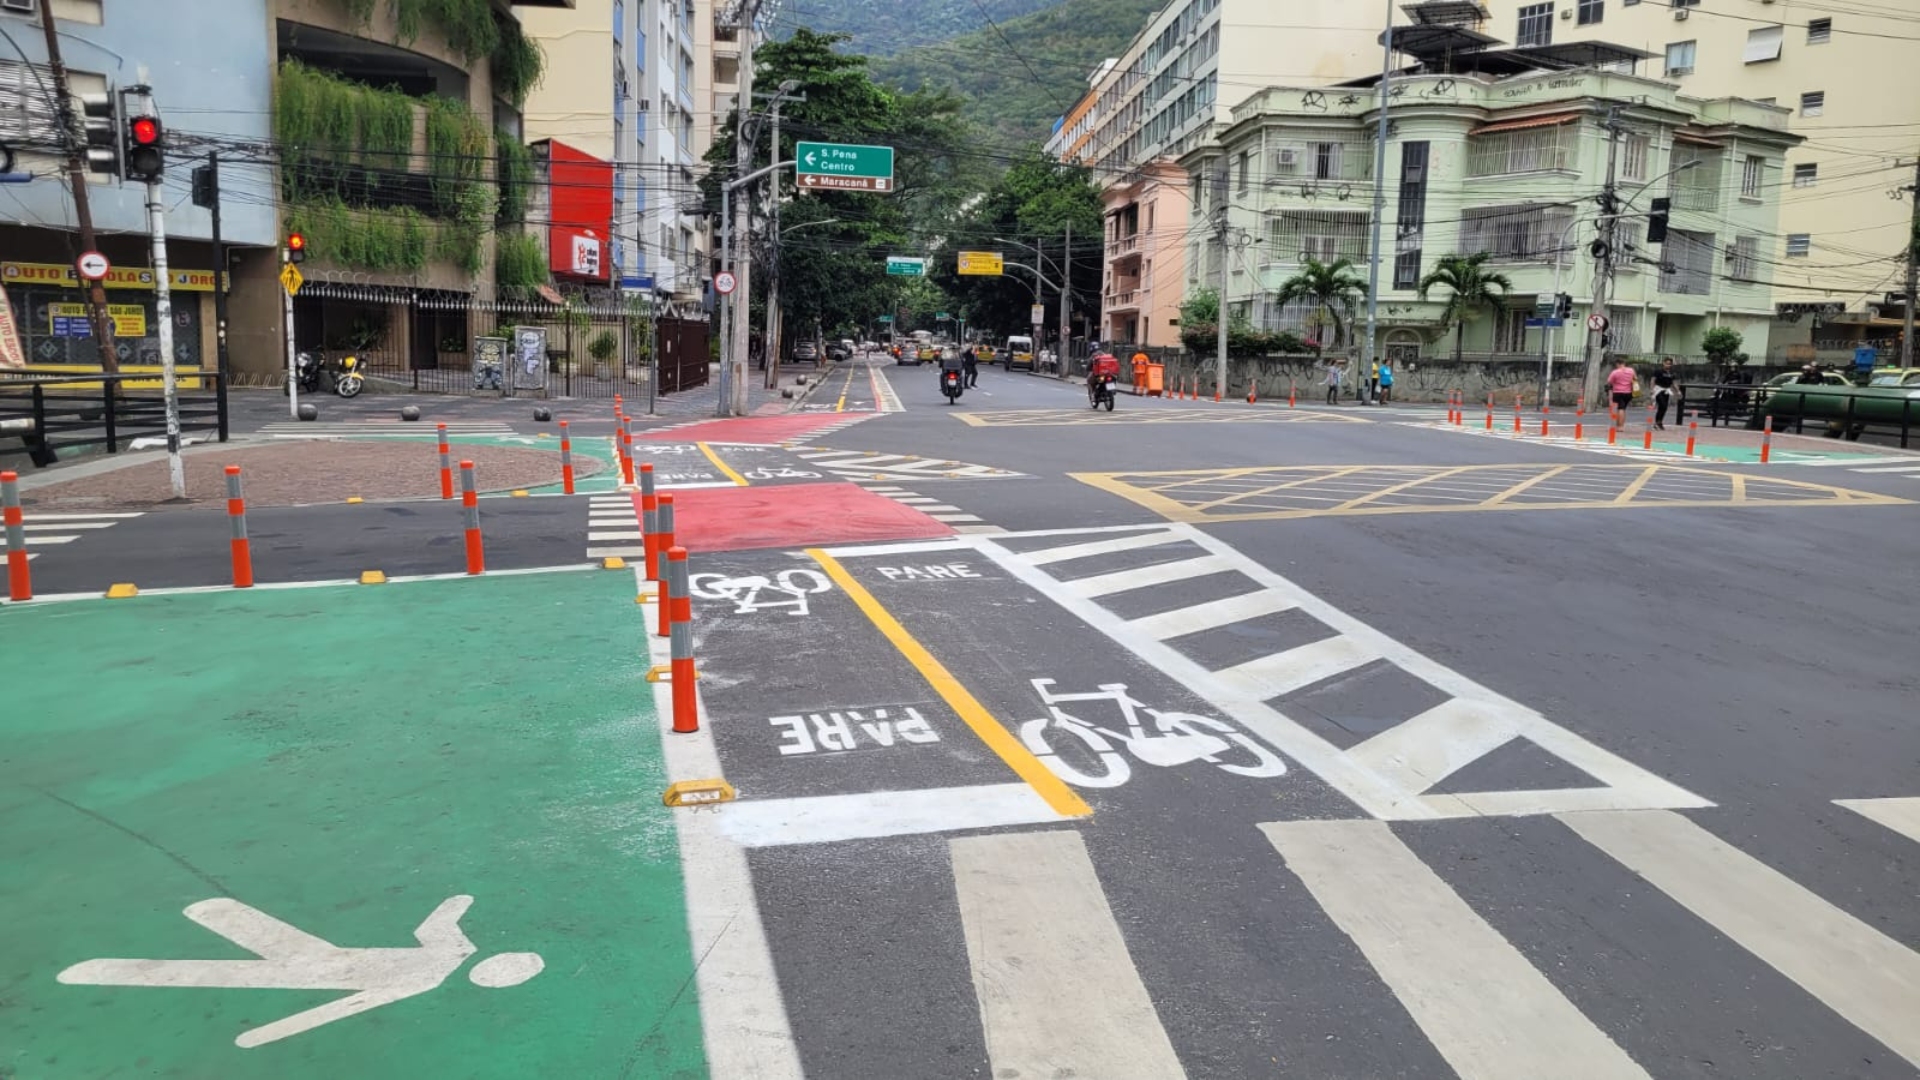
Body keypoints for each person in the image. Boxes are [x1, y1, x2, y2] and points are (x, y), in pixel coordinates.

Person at [1606, 358, 1637, 424]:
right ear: (1624, 363)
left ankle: (1619, 426)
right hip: (1628, 393)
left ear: (1618, 364)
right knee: (1623, 408)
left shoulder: (1615, 372)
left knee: (1620, 408)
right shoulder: (1631, 370)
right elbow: (1635, 378)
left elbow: (1609, 381)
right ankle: (1622, 424)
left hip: (1618, 392)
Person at [1651, 357, 1677, 429]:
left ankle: (1659, 422)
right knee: (1662, 404)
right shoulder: (1658, 371)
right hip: (1659, 389)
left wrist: (1678, 390)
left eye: (1670, 364)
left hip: (1666, 390)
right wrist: (1652, 389)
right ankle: (1657, 422)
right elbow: (1653, 380)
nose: (1668, 365)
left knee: (1664, 407)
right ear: (1664, 363)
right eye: (1667, 364)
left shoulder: (1671, 373)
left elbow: (1674, 382)